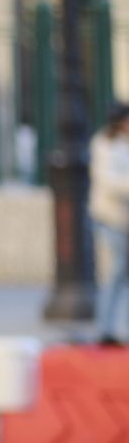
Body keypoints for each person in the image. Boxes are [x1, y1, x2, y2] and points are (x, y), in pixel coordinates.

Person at [90, 103, 129, 346]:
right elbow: (108, 182)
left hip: (124, 220)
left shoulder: (124, 143)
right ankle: (105, 329)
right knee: (115, 273)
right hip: (111, 219)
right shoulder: (104, 144)